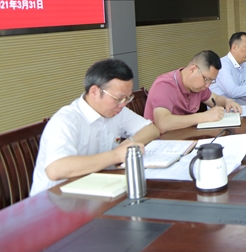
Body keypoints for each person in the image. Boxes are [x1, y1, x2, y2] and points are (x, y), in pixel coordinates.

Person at [30, 59, 160, 196]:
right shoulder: (66, 121)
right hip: (55, 199)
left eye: (128, 98)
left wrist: (127, 145)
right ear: (94, 92)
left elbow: (151, 130)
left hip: (96, 188)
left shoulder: (116, 111)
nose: (123, 104)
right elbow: (56, 170)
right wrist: (116, 155)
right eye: (119, 98)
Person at [144, 50, 243, 134]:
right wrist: (204, 116)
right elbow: (163, 124)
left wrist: (227, 101)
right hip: (163, 142)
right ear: (193, 69)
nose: (207, 85)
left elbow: (215, 99)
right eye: (206, 79)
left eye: (211, 81)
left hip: (187, 137)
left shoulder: (197, 87)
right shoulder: (164, 85)